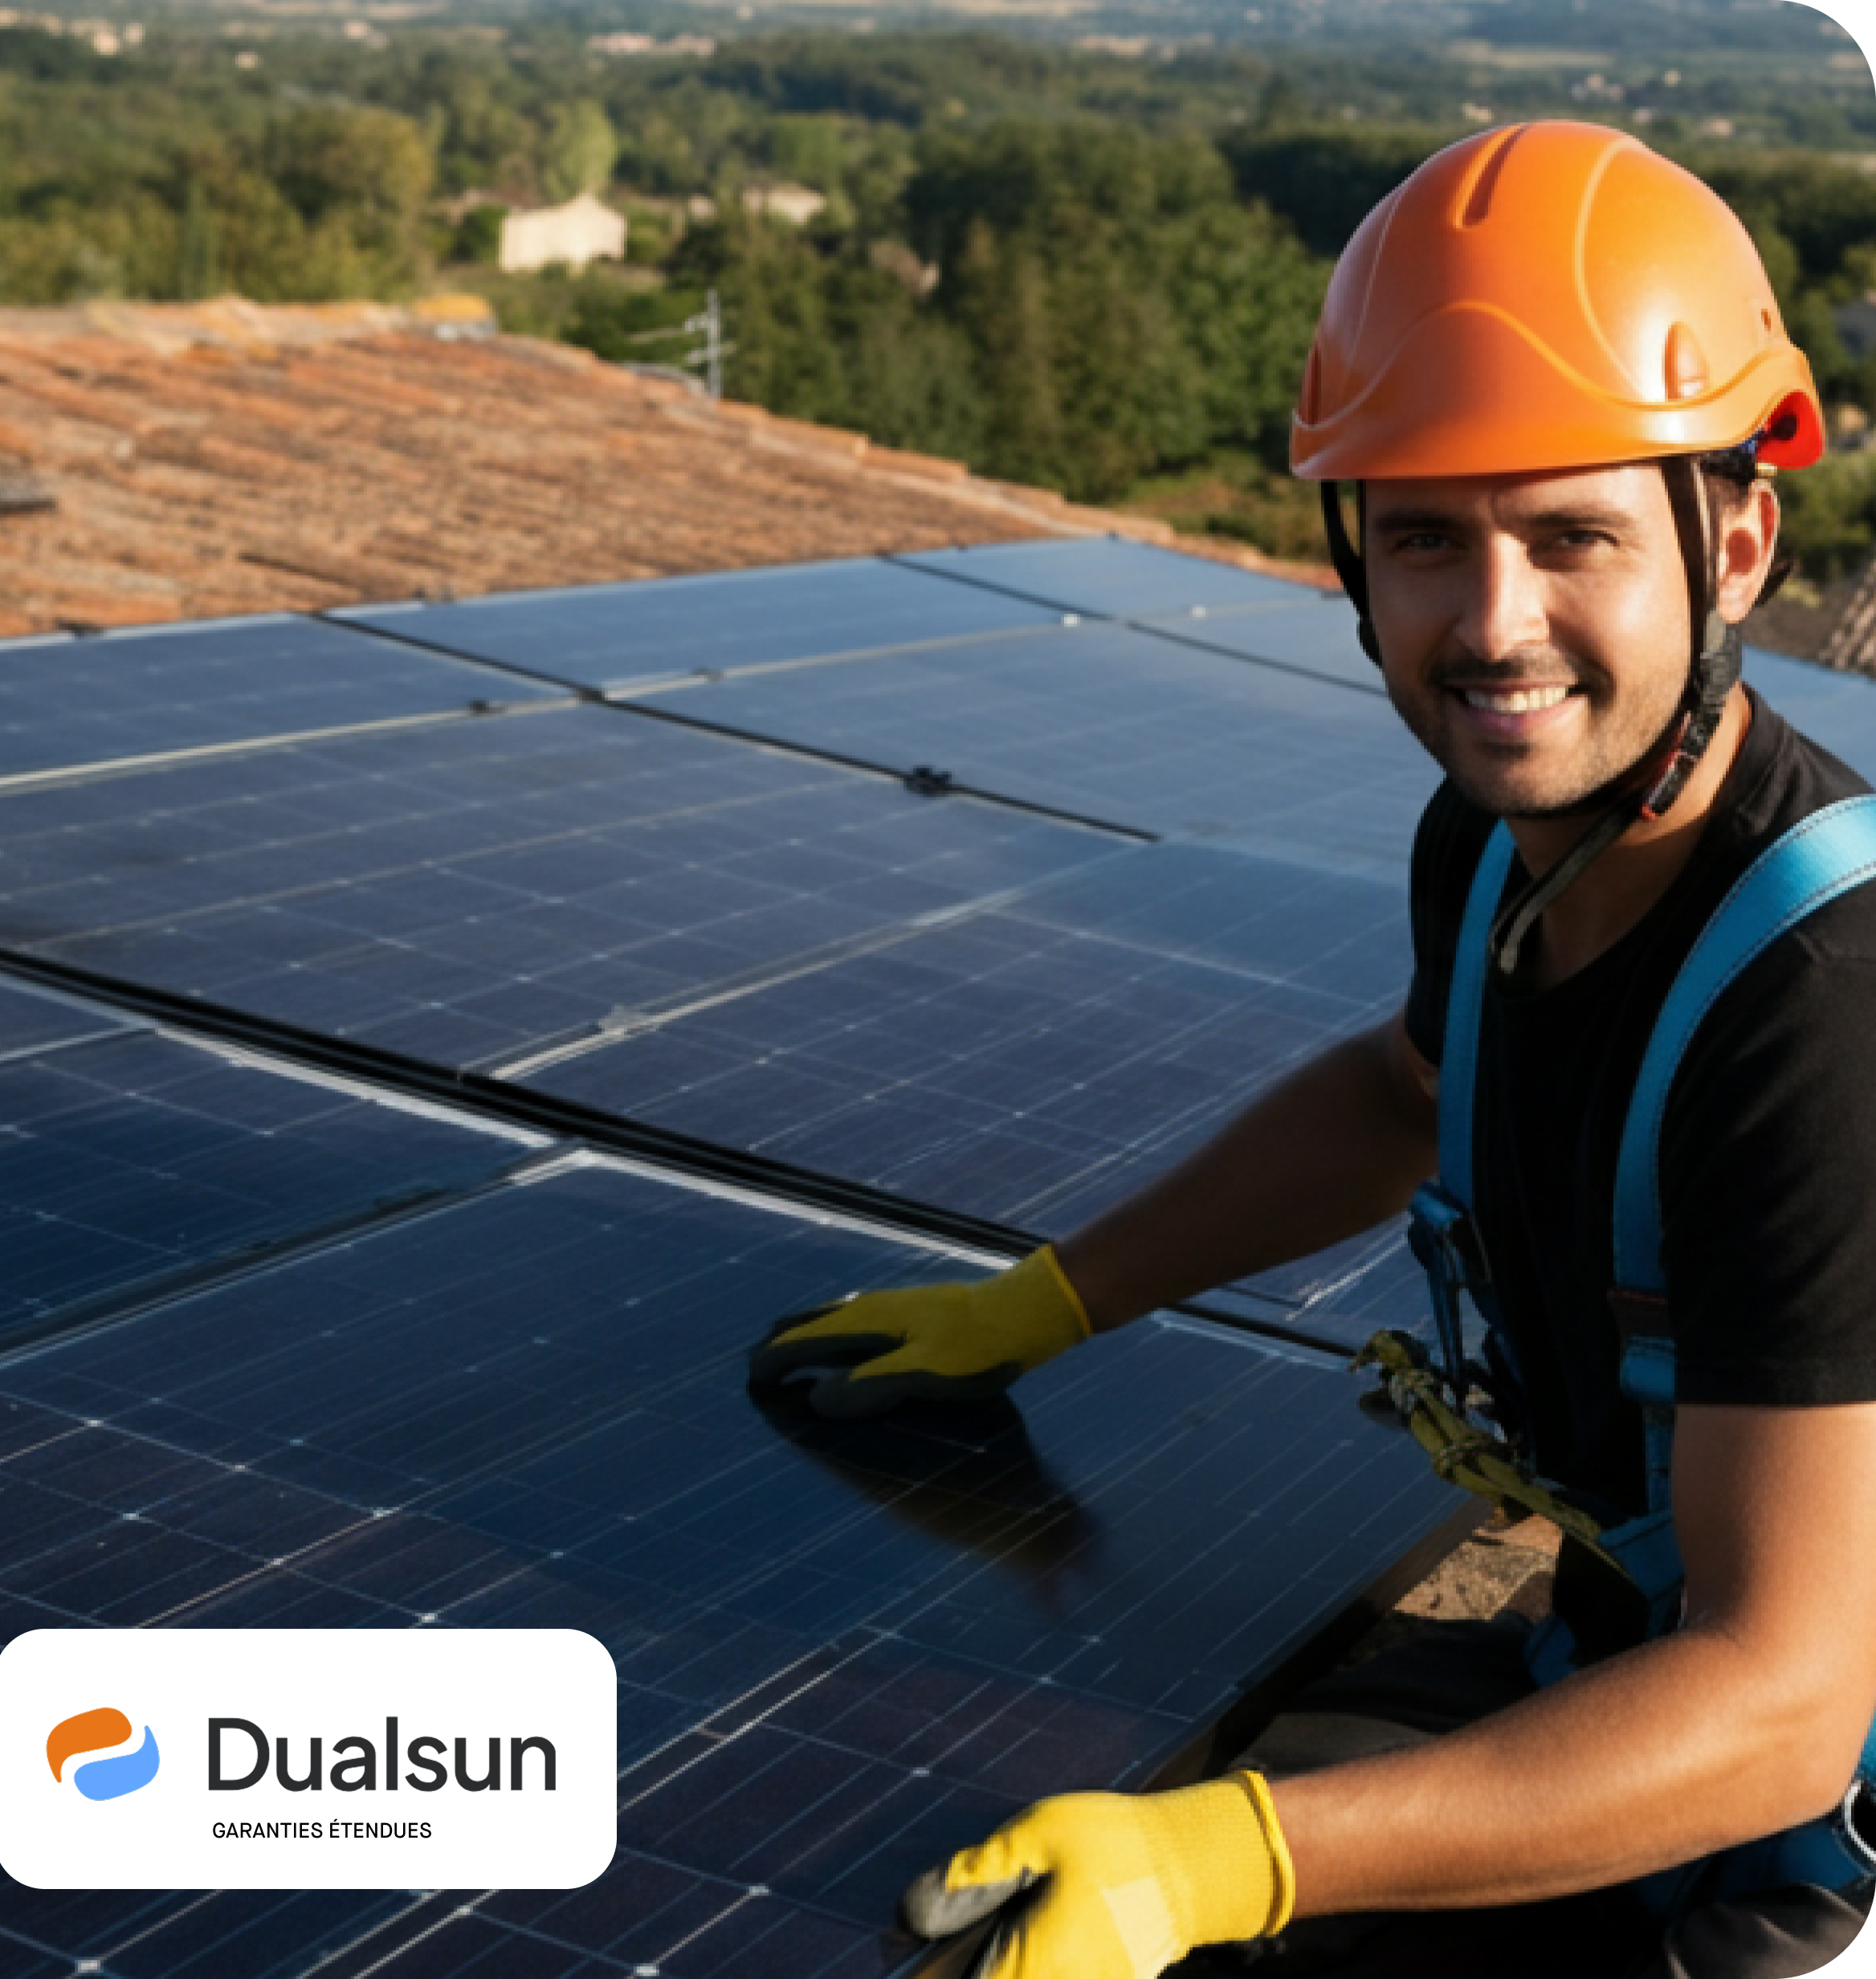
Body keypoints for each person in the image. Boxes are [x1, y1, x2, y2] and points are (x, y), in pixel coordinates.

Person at [748, 123, 1876, 1979]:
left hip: (1797, 1827)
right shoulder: (1510, 833)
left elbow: (1776, 1692)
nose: (1492, 626)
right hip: (1609, 1667)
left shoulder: (1816, 1003)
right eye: (1425, 537)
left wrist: (1224, 1861)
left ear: (1732, 539)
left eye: (1571, 534)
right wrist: (1040, 1303)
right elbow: (1404, 1088)